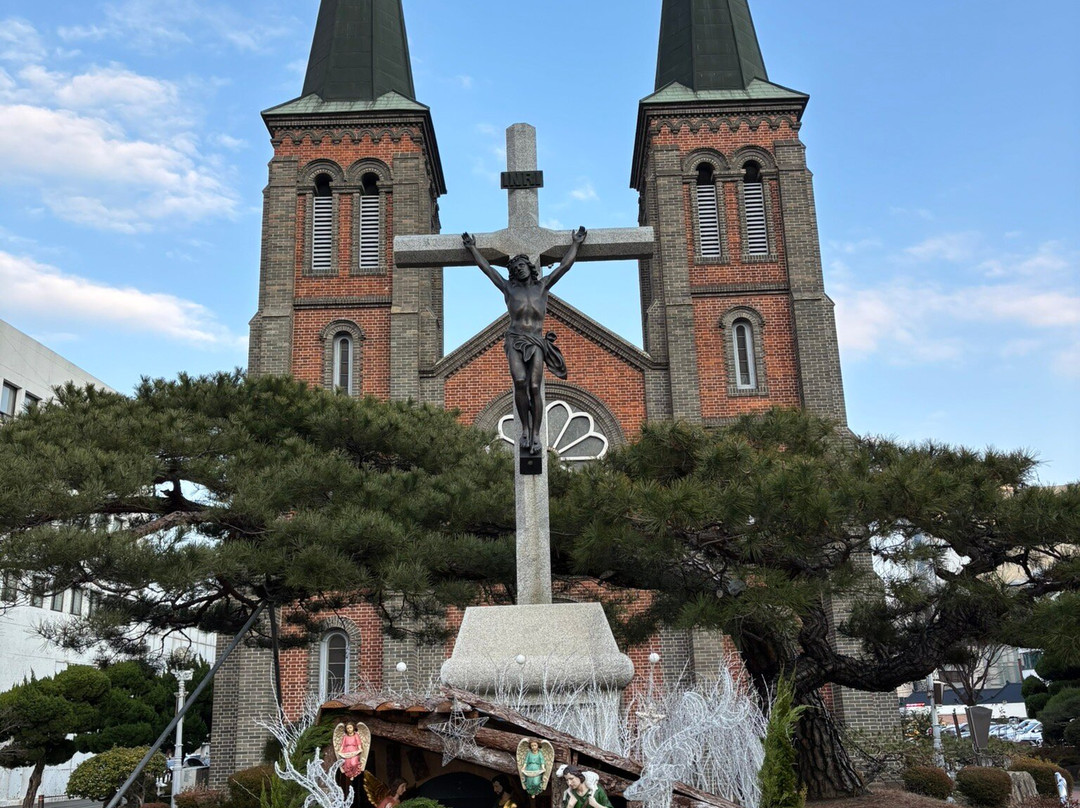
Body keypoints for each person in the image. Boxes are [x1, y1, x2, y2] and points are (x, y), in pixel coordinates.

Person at [462, 227, 587, 455]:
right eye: (515, 268)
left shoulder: (542, 286)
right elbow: (487, 269)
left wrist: (576, 244)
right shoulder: (509, 289)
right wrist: (472, 249)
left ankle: (537, 434)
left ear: (530, 267)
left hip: (536, 341)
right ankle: (525, 430)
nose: (518, 269)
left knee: (534, 386)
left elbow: (564, 266)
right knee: (520, 381)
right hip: (514, 339)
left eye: (521, 265)